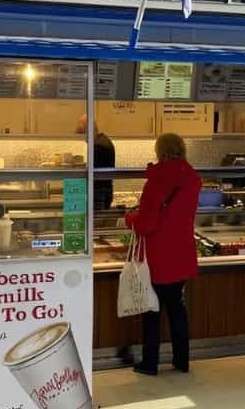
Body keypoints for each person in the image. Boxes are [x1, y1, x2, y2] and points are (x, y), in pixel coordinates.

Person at [125, 133, 202, 375]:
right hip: (182, 251)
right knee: (177, 308)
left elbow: (147, 224)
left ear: (159, 151)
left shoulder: (156, 180)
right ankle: (181, 360)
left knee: (152, 310)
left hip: (158, 255)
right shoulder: (192, 178)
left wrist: (130, 219)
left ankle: (150, 363)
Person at [76, 113, 115, 211]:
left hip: (98, 196)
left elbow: (92, 175)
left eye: (82, 135)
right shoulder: (103, 141)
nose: (84, 140)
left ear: (87, 131)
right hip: (103, 194)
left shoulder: (98, 147)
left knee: (96, 223)